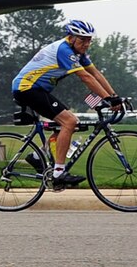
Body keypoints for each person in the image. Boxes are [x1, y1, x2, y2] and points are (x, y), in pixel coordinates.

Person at [10, 20, 123, 188]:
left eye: (89, 40)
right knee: (69, 121)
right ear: (71, 37)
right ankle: (58, 173)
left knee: (71, 124)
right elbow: (86, 77)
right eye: (82, 39)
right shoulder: (63, 49)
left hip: (37, 89)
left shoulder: (79, 54)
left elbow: (95, 73)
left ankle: (37, 155)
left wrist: (115, 97)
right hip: (28, 88)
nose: (86, 44)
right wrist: (108, 98)